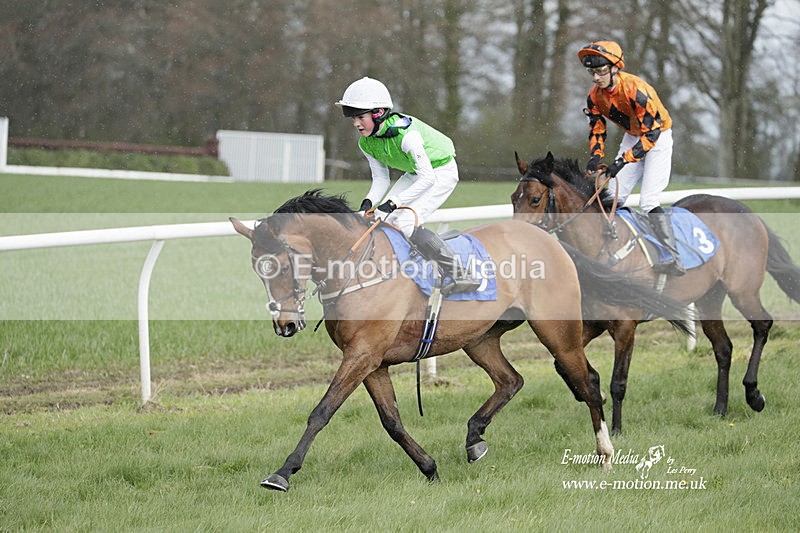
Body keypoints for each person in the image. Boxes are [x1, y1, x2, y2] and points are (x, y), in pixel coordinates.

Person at [335, 76, 480, 295]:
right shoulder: (365, 142)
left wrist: (391, 204)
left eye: (360, 117)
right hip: (416, 172)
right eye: (353, 119)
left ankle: (460, 273)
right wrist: (368, 204)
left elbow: (428, 179)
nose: (356, 124)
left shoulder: (407, 136)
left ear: (378, 113)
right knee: (383, 220)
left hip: (440, 171)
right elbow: (381, 179)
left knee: (403, 222)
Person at [578, 40, 684, 276]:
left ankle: (670, 254)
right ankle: (620, 248)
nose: (595, 78)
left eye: (600, 71)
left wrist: (623, 160)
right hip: (632, 136)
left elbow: (652, 134)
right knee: (613, 197)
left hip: (658, 138)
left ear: (616, 68)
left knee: (648, 201)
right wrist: (595, 157)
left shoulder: (637, 89)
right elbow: (597, 128)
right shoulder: (594, 96)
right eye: (591, 72)